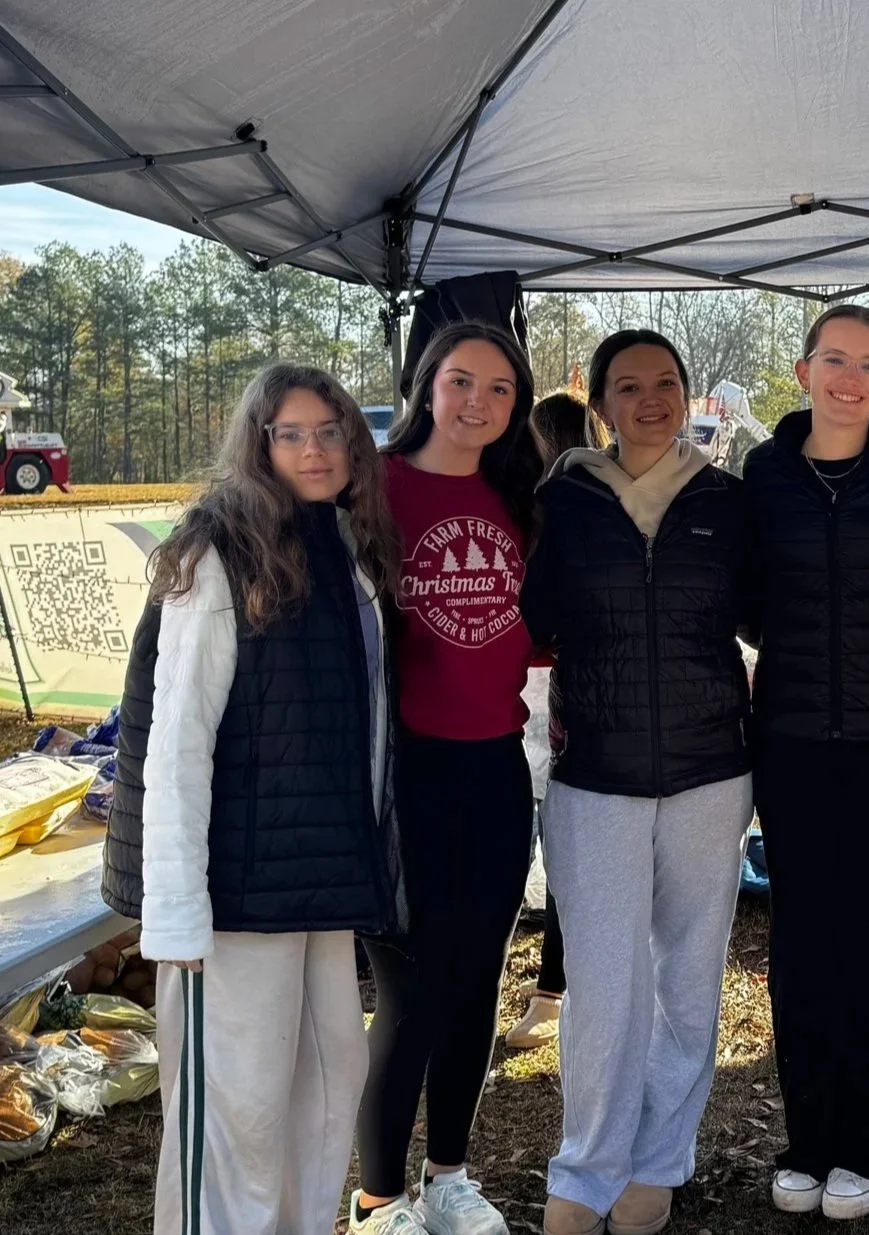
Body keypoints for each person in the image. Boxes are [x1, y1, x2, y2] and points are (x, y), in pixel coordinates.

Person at [103, 363, 399, 1235]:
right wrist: (176, 914)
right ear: (258, 444)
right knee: (240, 1109)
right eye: (291, 433)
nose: (315, 449)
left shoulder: (344, 544)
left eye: (330, 430)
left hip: (320, 877)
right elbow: (177, 741)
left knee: (328, 1075)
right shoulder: (212, 550)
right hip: (233, 890)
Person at [521, 330, 753, 1235]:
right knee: (604, 986)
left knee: (688, 977)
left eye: (665, 383)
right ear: (603, 403)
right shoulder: (562, 500)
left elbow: (774, 612)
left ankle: (658, 1159)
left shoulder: (728, 502)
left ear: (687, 392)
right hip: (596, 775)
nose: (649, 399)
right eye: (629, 385)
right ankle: (587, 1167)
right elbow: (524, 617)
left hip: (709, 770)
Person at [741, 304, 869, 1222]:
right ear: (802, 369)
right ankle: (808, 1138)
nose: (850, 378)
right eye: (834, 359)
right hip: (786, 740)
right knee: (802, 947)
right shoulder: (765, 472)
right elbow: (744, 599)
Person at [352, 321, 543, 1235]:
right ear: (426, 384)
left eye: (500, 389)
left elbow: (534, 624)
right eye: (461, 381)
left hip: (495, 766)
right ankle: (379, 1196)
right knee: (413, 988)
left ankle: (451, 1174)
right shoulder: (372, 491)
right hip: (405, 773)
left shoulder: (519, 495)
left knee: (476, 978)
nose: (478, 402)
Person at [506, 392, 609, 1051]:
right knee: (563, 840)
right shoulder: (576, 490)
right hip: (555, 681)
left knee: (554, 837)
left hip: (549, 681)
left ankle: (552, 990)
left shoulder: (549, 498)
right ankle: (551, 988)